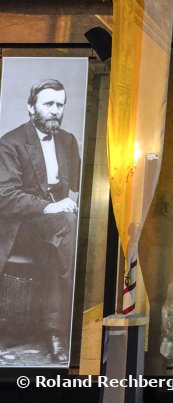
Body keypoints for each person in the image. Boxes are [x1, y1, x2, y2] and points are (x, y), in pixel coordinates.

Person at [0, 79, 81, 364]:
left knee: (68, 232)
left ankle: (59, 330)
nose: (55, 111)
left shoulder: (68, 140)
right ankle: (59, 332)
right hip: (19, 226)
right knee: (66, 226)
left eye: (60, 105)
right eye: (48, 104)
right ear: (30, 107)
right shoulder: (10, 143)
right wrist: (51, 208)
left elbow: (77, 184)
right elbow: (5, 196)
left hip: (54, 225)